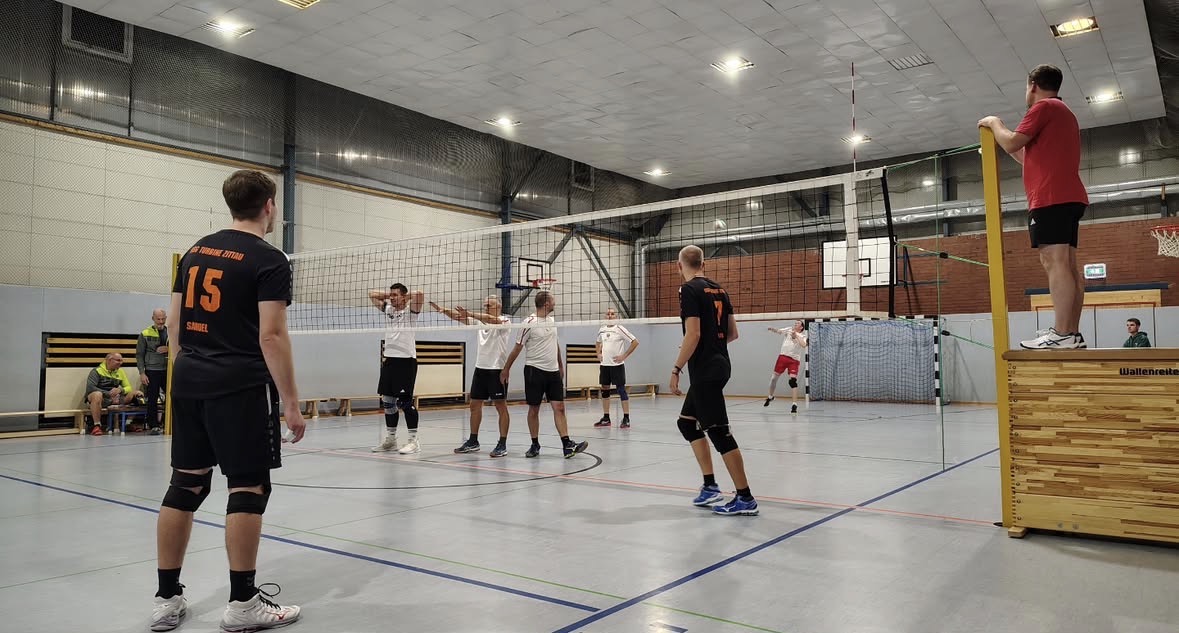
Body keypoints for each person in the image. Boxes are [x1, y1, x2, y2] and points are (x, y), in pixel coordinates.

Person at [151, 169, 305, 632]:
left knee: (186, 484)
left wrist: (193, 368)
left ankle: (166, 598)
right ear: (269, 206)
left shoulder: (196, 250)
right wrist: (291, 403)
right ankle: (242, 605)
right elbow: (271, 336)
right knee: (248, 486)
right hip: (239, 384)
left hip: (189, 379)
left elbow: (174, 324)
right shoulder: (269, 259)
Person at [979, 64, 1088, 350]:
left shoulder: (1044, 107)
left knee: (1055, 262)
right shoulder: (1064, 112)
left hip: (1051, 197)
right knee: (1067, 264)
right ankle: (1071, 334)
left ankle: (1062, 333)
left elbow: (1011, 141)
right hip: (1067, 196)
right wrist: (1004, 143)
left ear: (1033, 85)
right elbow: (1024, 154)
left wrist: (993, 123)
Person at [670, 245, 758, 516]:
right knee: (687, 424)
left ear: (679, 265)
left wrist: (676, 368)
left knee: (719, 432)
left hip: (705, 370)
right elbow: (732, 334)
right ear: (704, 264)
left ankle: (745, 498)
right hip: (720, 364)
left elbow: (693, 334)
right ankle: (710, 486)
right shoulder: (720, 290)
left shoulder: (688, 290)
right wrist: (711, 346)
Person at [500, 291, 588, 459]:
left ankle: (567, 445)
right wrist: (506, 369)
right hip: (534, 370)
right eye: (553, 300)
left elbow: (555, 344)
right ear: (546, 304)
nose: (555, 303)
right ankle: (535, 444)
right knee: (534, 409)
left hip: (553, 372)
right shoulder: (529, 323)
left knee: (559, 407)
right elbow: (517, 348)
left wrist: (560, 365)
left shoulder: (552, 321)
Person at [433, 297, 513, 458]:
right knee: (474, 405)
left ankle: (502, 443)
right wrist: (444, 310)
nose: (486, 307)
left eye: (489, 305)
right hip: (480, 369)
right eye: (484, 305)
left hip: (497, 370)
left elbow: (491, 319)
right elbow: (459, 317)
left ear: (498, 306)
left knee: (500, 406)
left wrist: (470, 313)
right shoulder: (479, 321)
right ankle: (473, 441)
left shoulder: (505, 321)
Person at [368, 283, 426, 454]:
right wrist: (391, 296)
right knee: (388, 402)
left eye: (395, 295)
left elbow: (419, 294)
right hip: (390, 361)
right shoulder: (388, 309)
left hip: (406, 361)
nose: (392, 297)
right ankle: (391, 440)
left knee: (405, 403)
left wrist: (403, 297)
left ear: (404, 296)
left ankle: (413, 441)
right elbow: (372, 293)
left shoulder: (411, 312)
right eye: (391, 294)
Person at [594, 307, 639, 428]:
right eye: (608, 314)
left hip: (617, 365)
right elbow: (598, 342)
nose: (610, 316)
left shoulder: (620, 328)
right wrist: (598, 353)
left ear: (616, 316)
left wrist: (624, 356)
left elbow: (635, 342)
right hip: (604, 365)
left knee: (621, 390)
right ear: (605, 316)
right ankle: (606, 418)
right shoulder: (602, 329)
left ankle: (626, 418)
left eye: (612, 314)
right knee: (605, 390)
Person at [84, 352, 144, 436]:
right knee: (97, 394)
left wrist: (120, 390)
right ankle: (97, 426)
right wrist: (109, 394)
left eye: (121, 361)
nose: (120, 363)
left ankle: (128, 423)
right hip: (100, 399)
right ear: (109, 360)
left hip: (115, 399)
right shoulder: (96, 371)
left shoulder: (120, 371)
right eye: (118, 360)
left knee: (137, 393)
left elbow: (128, 387)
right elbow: (90, 388)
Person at [137, 309, 169, 435]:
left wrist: (168, 348)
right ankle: (154, 425)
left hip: (168, 370)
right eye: (158, 319)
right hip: (152, 370)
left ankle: (169, 423)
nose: (161, 321)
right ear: (153, 318)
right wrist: (142, 373)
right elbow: (139, 355)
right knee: (152, 399)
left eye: (163, 319)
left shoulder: (171, 332)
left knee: (172, 396)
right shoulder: (145, 333)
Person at [764, 320, 807, 413]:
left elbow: (804, 345)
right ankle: (770, 397)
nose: (795, 324)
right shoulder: (789, 330)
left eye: (798, 323)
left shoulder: (803, 336)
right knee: (773, 378)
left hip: (794, 360)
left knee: (792, 381)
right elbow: (779, 331)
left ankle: (794, 405)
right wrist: (772, 329)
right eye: (795, 323)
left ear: (801, 327)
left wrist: (796, 336)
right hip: (783, 357)